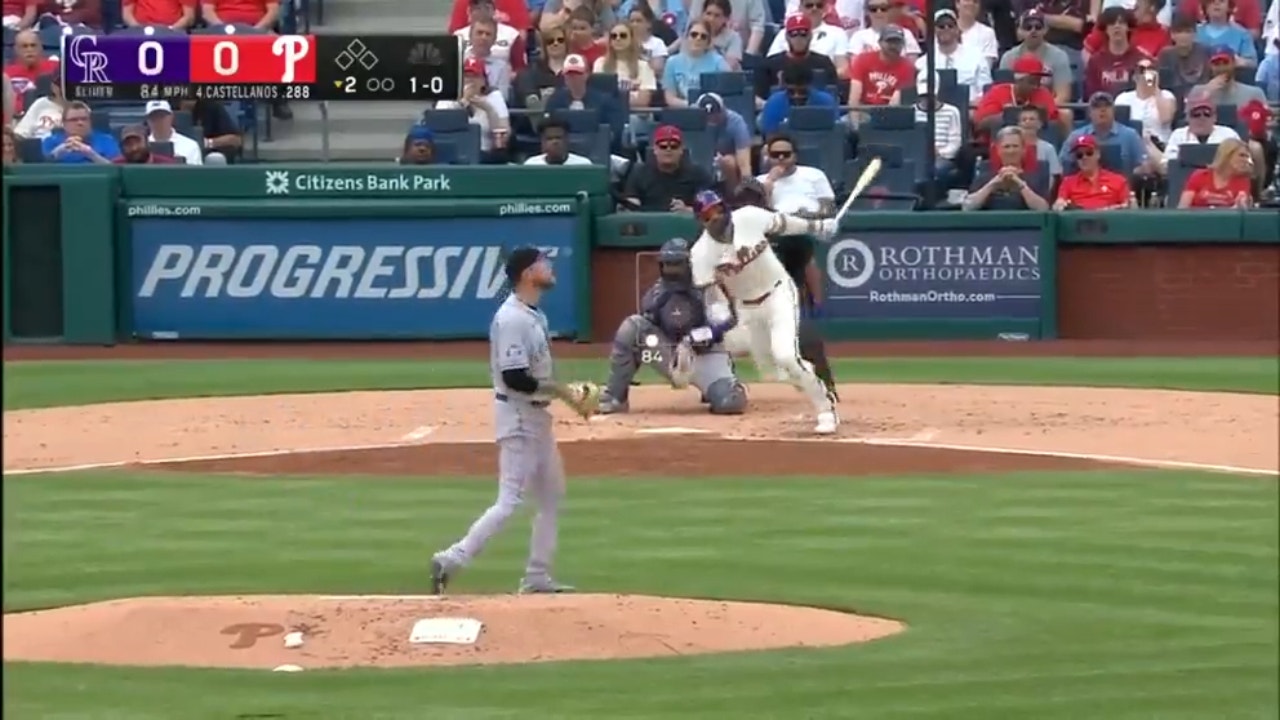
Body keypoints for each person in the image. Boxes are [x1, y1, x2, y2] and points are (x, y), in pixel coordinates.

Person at [430, 247, 595, 596]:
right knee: (510, 501)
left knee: (551, 496)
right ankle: (451, 558)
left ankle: (537, 577)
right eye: (542, 264)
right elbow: (516, 377)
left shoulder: (534, 315)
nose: (550, 268)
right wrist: (565, 393)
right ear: (526, 273)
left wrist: (563, 395)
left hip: (537, 417)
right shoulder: (511, 319)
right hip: (518, 416)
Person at [688, 189, 841, 434]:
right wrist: (718, 320)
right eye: (707, 215)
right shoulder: (701, 254)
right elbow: (712, 297)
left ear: (725, 208)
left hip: (778, 292)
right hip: (746, 309)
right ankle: (807, 375)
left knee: (786, 356)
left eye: (717, 210)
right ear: (700, 220)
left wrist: (818, 226)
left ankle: (825, 408)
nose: (715, 218)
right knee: (774, 371)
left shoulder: (748, 217)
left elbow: (785, 223)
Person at [597, 237, 748, 415]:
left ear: (689, 264)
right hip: (672, 355)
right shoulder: (658, 293)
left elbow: (726, 321)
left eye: (677, 265)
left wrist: (696, 337)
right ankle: (615, 397)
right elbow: (646, 325)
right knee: (631, 326)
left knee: (729, 403)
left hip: (706, 354)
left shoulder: (707, 288)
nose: (672, 271)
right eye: (668, 265)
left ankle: (724, 385)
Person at [435, 56, 511, 163]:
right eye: (466, 76)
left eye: (475, 76)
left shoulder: (494, 97)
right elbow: (440, 127)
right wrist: (461, 104)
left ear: (484, 81)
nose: (470, 80)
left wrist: (488, 109)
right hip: (453, 153)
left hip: (486, 153)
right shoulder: (448, 97)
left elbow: (505, 136)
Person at [621, 124, 715, 209]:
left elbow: (711, 208)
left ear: (681, 150)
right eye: (663, 146)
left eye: (674, 146)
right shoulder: (639, 173)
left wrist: (688, 210)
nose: (668, 150)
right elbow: (631, 206)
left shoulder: (698, 174)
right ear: (655, 150)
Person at [754, 14, 839, 108]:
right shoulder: (769, 64)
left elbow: (834, 93)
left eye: (803, 33)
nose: (798, 38)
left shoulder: (824, 63)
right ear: (786, 37)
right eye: (793, 34)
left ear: (810, 36)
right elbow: (758, 97)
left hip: (818, 111)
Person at [965, 126, 1053, 210]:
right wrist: (993, 184)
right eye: (1006, 147)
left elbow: (1043, 208)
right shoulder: (985, 172)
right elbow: (968, 207)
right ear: (998, 150)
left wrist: (1020, 184)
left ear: (1023, 149)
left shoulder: (1037, 173)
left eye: (1015, 146)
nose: (1011, 151)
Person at [998, 9, 1075, 104]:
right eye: (1028, 27)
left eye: (1038, 27)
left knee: (1066, 113)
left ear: (1045, 30)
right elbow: (1003, 92)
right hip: (1015, 108)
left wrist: (1042, 111)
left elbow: (1063, 96)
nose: (1033, 31)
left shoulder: (1059, 56)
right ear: (1019, 31)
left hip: (1047, 108)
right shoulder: (1008, 57)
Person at [1060, 91, 1148, 174]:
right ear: (1089, 113)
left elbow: (1144, 165)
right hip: (1084, 187)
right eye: (1097, 106)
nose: (1102, 110)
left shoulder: (1130, 135)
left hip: (1120, 187)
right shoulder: (1076, 136)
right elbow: (1063, 165)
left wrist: (1133, 175)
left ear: (1114, 110)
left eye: (1107, 106)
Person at [915, 8, 991, 103]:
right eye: (941, 26)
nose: (946, 29)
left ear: (957, 29)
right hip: (935, 111)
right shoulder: (923, 62)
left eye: (950, 26)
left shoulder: (977, 57)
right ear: (934, 30)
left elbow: (986, 89)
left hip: (970, 109)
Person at [766, 1, 849, 75]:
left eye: (819, 5)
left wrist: (823, 74)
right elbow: (770, 64)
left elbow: (843, 69)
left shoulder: (838, 33)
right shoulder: (785, 32)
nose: (814, 9)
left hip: (822, 81)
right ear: (800, 8)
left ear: (825, 8)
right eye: (809, 5)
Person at [1083, 7, 1151, 98]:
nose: (1116, 26)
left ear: (1128, 27)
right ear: (1105, 29)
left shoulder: (1142, 59)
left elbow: (1149, 92)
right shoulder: (1095, 61)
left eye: (1121, 22)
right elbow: (1091, 96)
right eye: (1111, 23)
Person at [1053, 134, 1136, 209]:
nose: (1084, 158)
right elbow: (1059, 205)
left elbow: (1128, 208)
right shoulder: (1068, 182)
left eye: (1089, 153)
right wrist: (1059, 205)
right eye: (1079, 155)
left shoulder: (1119, 181)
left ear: (1098, 154)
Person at [662, 19, 731, 106]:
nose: (698, 38)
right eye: (694, 35)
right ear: (686, 37)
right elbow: (670, 98)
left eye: (703, 36)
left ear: (708, 42)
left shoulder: (719, 62)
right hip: (683, 113)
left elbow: (729, 96)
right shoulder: (672, 62)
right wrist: (692, 105)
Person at [760, 61, 840, 135]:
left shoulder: (827, 102)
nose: (796, 96)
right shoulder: (774, 103)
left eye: (802, 92)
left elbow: (836, 134)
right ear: (784, 86)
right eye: (791, 91)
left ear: (810, 85)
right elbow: (770, 135)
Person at [848, 25, 917, 107]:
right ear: (880, 43)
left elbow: (897, 102)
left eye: (897, 42)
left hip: (890, 111)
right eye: (889, 42)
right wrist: (855, 119)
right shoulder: (862, 60)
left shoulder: (908, 66)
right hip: (864, 109)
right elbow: (854, 98)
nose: (893, 46)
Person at [595, 20, 658, 108]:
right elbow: (597, 98)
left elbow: (643, 101)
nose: (618, 38)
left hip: (635, 115)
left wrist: (613, 100)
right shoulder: (600, 63)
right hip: (609, 114)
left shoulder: (643, 66)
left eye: (623, 36)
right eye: (614, 36)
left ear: (631, 39)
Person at [1115, 58, 1178, 146]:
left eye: (1151, 69)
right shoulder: (1123, 98)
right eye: (1142, 70)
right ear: (1134, 76)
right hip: (1133, 144)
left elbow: (1165, 118)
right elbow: (1119, 127)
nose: (1147, 73)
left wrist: (1155, 88)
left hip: (1161, 144)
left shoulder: (1166, 95)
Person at [1177, 136, 1255, 206]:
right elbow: (1182, 209)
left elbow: (1240, 213)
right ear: (1227, 155)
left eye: (1247, 157)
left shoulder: (1243, 181)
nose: (1245, 160)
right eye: (1241, 155)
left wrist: (1240, 205)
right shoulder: (1200, 176)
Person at [514, 25, 571, 116]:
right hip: (537, 104)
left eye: (560, 40)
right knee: (524, 77)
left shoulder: (572, 67)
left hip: (564, 110)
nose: (555, 43)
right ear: (545, 46)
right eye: (550, 41)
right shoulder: (535, 68)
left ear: (567, 44)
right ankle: (536, 107)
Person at [1082, 0, 1170, 59]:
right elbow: (1087, 51)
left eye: (1139, 5)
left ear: (1152, 8)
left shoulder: (1163, 34)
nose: (1136, 4)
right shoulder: (1116, 18)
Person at [41, 101, 118, 164]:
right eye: (74, 120)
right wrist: (58, 152)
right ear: (64, 124)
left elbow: (116, 169)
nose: (80, 123)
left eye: (84, 119)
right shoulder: (50, 142)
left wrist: (92, 155)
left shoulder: (106, 140)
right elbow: (40, 169)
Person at [697, 92, 752, 177]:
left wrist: (748, 183)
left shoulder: (736, 122)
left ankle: (732, 190)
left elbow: (744, 162)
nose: (712, 119)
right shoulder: (693, 121)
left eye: (716, 115)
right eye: (709, 116)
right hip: (703, 160)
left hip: (727, 159)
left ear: (723, 109)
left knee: (728, 162)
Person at [1190, 46, 1268, 104]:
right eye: (1216, 64)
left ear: (1234, 63)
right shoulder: (1197, 91)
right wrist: (1206, 93)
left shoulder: (1254, 94)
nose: (1221, 68)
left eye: (1225, 63)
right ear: (1210, 66)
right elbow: (1188, 119)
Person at [848, 0, 922, 57]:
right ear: (867, 12)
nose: (879, 12)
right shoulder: (858, 36)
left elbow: (911, 66)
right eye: (873, 9)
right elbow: (855, 66)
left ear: (889, 10)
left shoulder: (906, 34)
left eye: (883, 8)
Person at [1195, 0, 1258, 65]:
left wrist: (1236, 62)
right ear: (1205, 7)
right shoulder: (1195, 32)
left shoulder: (1242, 34)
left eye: (1222, 0)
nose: (1217, 3)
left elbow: (1252, 62)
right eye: (1212, 1)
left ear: (1229, 6)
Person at [145, 100, 203, 165]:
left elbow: (195, 173)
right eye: (154, 117)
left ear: (171, 117)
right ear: (147, 121)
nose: (158, 121)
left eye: (162, 116)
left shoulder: (191, 146)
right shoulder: (142, 148)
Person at [627, 3, 674, 75]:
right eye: (632, 21)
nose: (634, 24)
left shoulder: (657, 43)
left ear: (649, 23)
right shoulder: (624, 41)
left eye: (638, 21)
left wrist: (640, 52)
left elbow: (657, 69)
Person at [12, 72, 62, 140]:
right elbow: (20, 132)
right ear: (53, 86)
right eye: (58, 84)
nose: (61, 88)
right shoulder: (41, 103)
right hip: (36, 145)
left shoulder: (78, 106)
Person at [524, 116, 593, 164]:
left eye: (558, 138)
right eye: (549, 139)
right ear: (542, 142)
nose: (555, 142)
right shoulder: (531, 164)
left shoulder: (583, 164)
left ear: (567, 140)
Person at [696, 0, 743, 68]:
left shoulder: (733, 37)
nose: (711, 19)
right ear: (703, 14)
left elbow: (730, 66)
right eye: (708, 14)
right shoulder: (695, 34)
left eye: (717, 16)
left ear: (726, 18)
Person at [112, 124, 179, 164]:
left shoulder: (167, 165)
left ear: (147, 142)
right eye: (128, 144)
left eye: (138, 142)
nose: (134, 148)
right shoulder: (115, 166)